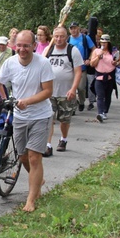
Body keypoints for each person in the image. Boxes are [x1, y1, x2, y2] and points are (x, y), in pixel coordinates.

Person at [0, 30, 53, 212]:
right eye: (19, 45)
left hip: (40, 115)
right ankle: (38, 179)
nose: (22, 49)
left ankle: (31, 200)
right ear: (14, 46)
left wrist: (27, 101)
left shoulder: (43, 63)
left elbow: (48, 91)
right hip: (19, 116)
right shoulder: (10, 63)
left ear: (34, 46)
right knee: (22, 156)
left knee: (34, 157)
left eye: (26, 45)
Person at [43, 25, 82, 154]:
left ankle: (63, 139)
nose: (59, 39)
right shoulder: (49, 50)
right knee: (49, 119)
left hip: (66, 93)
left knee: (64, 120)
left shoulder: (73, 51)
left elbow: (78, 72)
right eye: (56, 36)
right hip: (49, 92)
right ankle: (48, 145)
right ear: (53, 37)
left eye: (62, 36)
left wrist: (73, 89)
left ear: (67, 37)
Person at [89, 34, 120, 122]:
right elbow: (92, 64)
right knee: (100, 96)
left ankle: (105, 111)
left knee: (108, 96)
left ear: (108, 43)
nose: (103, 44)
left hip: (110, 76)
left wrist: (116, 63)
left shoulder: (113, 52)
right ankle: (100, 113)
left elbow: (119, 61)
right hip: (99, 76)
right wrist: (98, 57)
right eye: (102, 42)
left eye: (105, 43)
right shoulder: (96, 51)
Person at [67, 21, 96, 111]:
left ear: (78, 28)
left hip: (82, 67)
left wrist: (90, 59)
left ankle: (82, 101)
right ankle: (73, 105)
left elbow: (94, 49)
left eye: (75, 28)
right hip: (70, 67)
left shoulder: (85, 38)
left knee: (80, 87)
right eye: (72, 29)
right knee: (70, 88)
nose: (74, 30)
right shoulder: (68, 39)